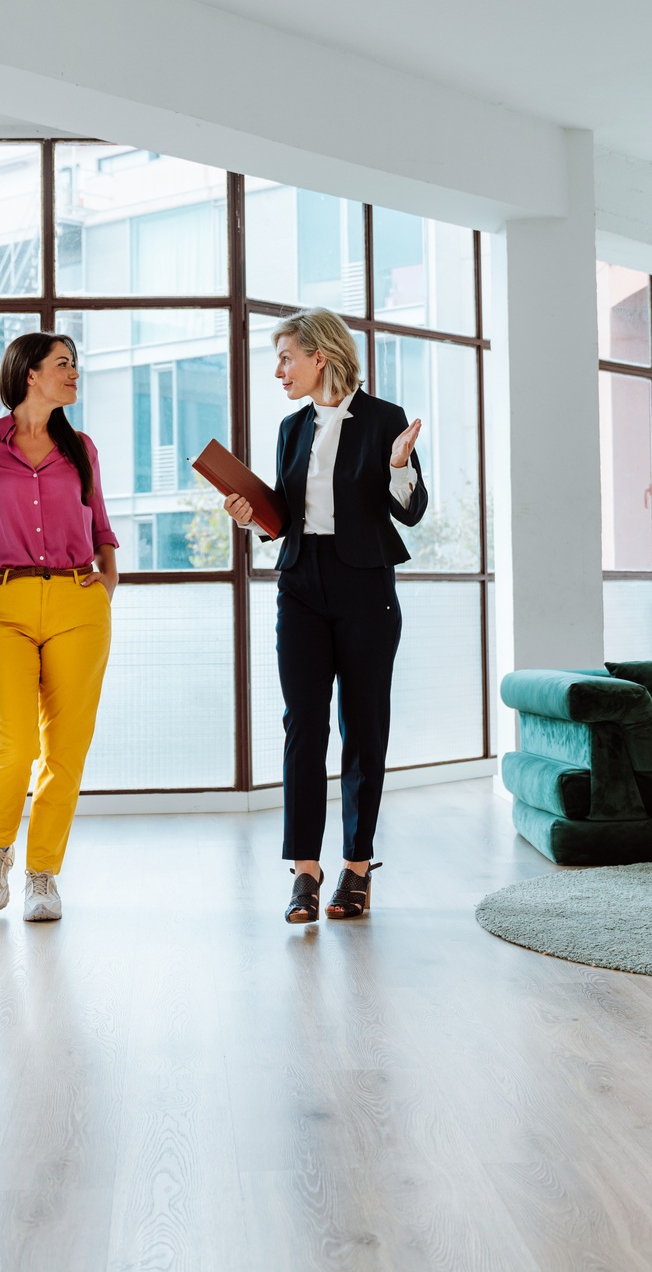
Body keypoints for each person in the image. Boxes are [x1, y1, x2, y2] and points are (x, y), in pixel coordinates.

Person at [224, 308, 426, 924]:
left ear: (322, 356)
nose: (279, 370)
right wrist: (250, 513)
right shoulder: (291, 427)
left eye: (287, 357)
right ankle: (304, 872)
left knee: (363, 729)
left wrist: (398, 467)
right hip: (301, 586)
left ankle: (357, 869)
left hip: (366, 587)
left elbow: (412, 513)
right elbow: (286, 512)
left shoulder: (387, 419)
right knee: (303, 726)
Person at [0, 333, 118, 922]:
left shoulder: (82, 448)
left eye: (75, 362)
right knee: (16, 740)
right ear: (28, 373)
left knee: (65, 749)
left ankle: (42, 873)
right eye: (63, 364)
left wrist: (108, 582)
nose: (74, 372)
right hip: (4, 600)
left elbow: (100, 521)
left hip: (80, 602)